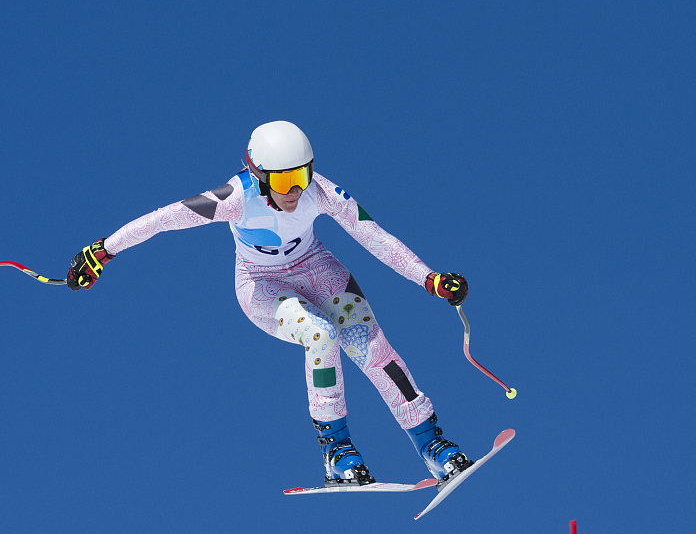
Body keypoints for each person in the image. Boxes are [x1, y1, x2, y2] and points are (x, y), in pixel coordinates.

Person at [66, 120, 473, 488]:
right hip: (262, 286)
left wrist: (428, 278)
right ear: (259, 175)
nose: (295, 190)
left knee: (371, 346)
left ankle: (432, 445)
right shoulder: (235, 198)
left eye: (302, 175)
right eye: (284, 180)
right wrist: (104, 250)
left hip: (317, 268)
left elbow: (373, 235)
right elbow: (165, 218)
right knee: (321, 336)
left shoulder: (321, 191)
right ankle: (337, 451)